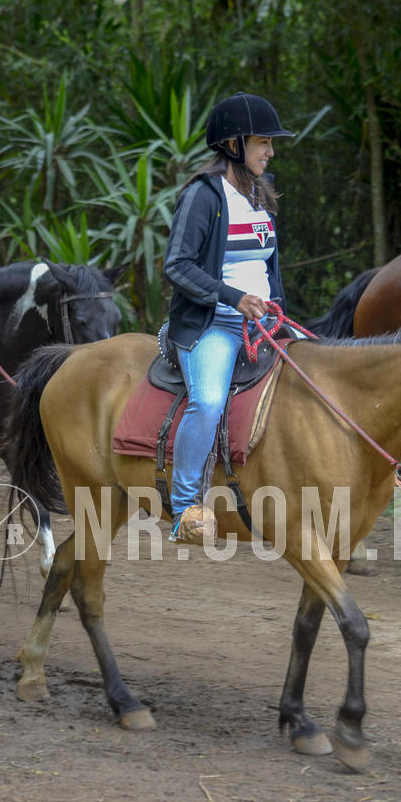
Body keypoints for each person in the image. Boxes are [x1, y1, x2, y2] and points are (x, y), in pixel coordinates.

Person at [163, 91, 293, 542]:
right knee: (209, 401)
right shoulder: (203, 195)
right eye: (263, 142)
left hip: (264, 324)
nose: (270, 151)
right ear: (234, 144)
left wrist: (279, 314)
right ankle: (184, 509)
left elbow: (268, 267)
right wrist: (232, 298)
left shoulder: (260, 193)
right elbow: (177, 266)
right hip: (211, 325)